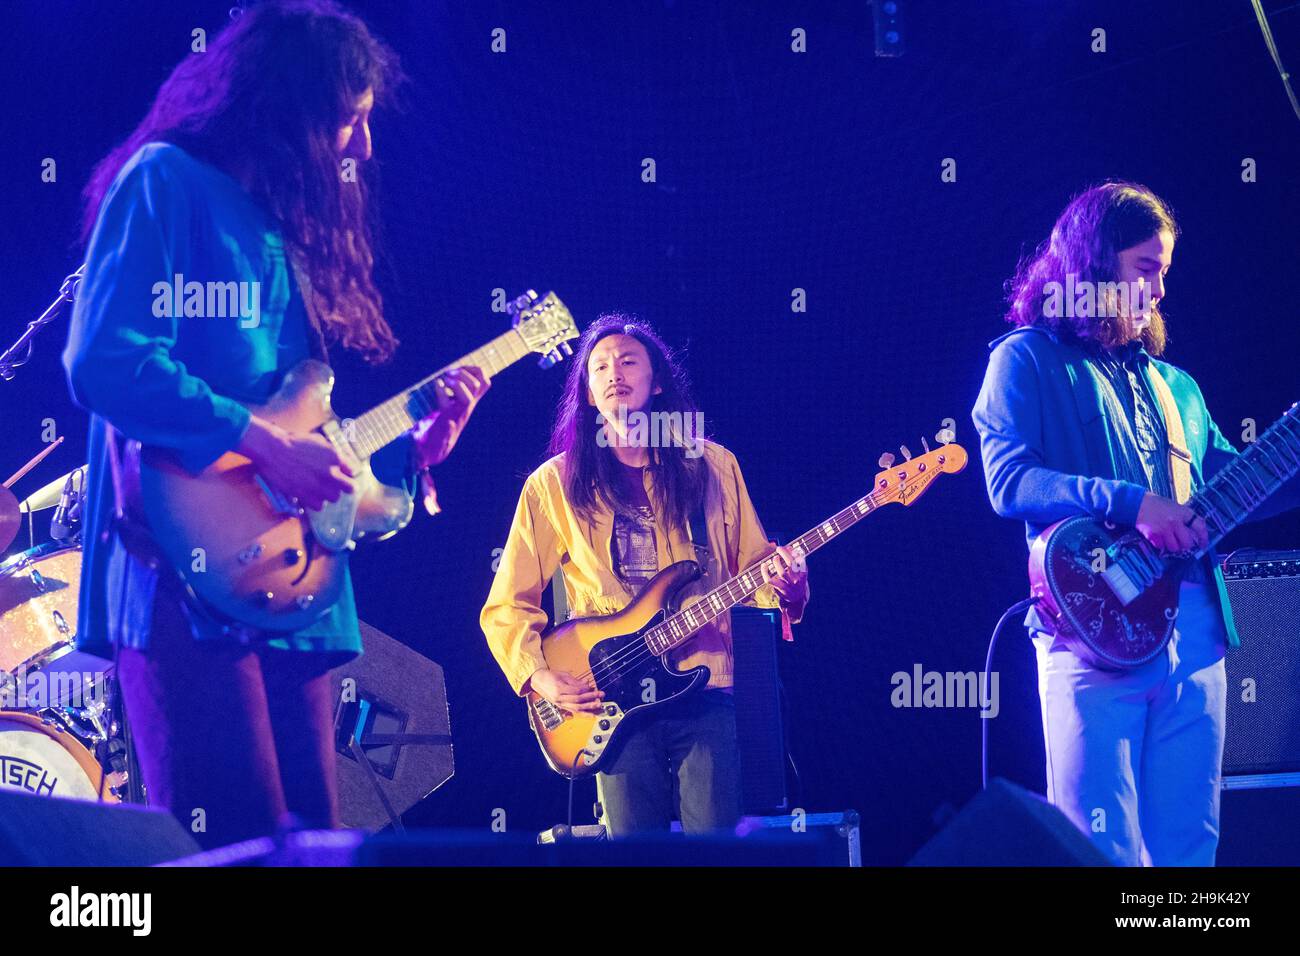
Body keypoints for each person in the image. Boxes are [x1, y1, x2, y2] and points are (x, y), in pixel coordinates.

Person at [63, 0, 488, 848]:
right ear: (284, 107)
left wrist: (411, 451)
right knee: (241, 845)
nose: (363, 146)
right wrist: (261, 444)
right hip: (181, 572)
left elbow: (306, 437)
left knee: (315, 847)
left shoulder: (291, 226)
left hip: (295, 582)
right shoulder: (166, 181)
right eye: (348, 120)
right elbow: (103, 360)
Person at [971, 181, 1300, 866]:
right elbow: (1010, 482)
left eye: (1164, 273)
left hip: (1197, 635)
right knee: (1102, 851)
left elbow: (1235, 490)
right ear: (1092, 267)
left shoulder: (1178, 385)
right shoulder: (1023, 359)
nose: (1158, 291)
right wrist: (1134, 503)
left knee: (1188, 852)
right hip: (1091, 636)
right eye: (1144, 270)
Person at [481, 315, 808, 836]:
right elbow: (507, 605)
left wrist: (789, 586)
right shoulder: (553, 485)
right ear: (588, 394)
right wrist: (539, 678)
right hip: (611, 703)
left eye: (629, 360)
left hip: (707, 686)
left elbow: (755, 571)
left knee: (717, 856)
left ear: (657, 382)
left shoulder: (713, 466)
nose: (615, 372)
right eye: (601, 366)